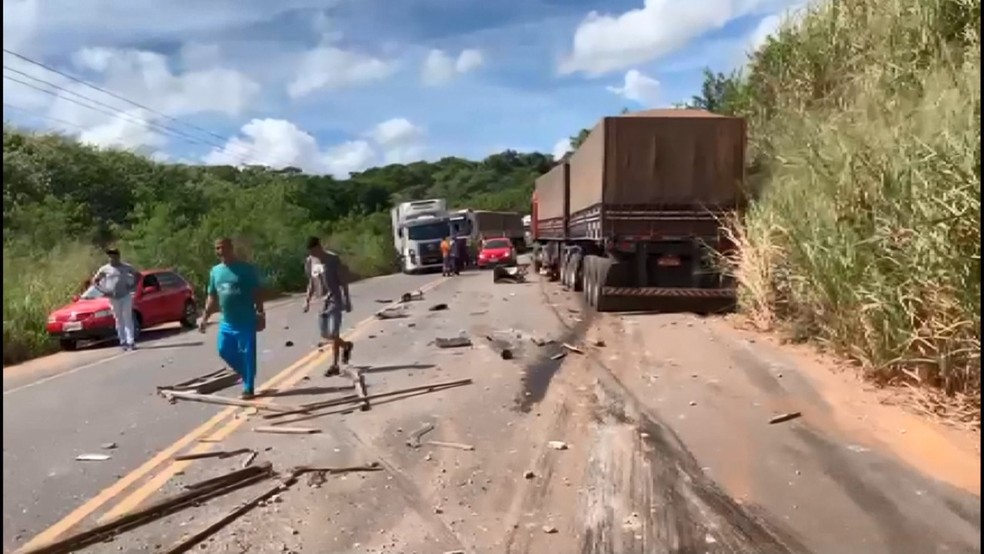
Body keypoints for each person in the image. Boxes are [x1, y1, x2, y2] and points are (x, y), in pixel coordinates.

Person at [198, 238, 266, 400]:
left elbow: (257, 292)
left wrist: (261, 314)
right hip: (227, 321)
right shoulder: (215, 271)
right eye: (217, 248)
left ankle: (248, 387)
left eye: (223, 248)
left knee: (248, 353)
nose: (220, 251)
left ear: (230, 248)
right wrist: (204, 317)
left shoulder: (246, 269)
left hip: (246, 320)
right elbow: (212, 296)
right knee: (223, 350)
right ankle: (245, 373)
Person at [302, 236, 354, 376]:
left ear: (319, 247)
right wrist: (307, 301)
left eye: (313, 251)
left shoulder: (333, 259)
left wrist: (347, 300)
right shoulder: (310, 261)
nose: (312, 254)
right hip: (321, 302)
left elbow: (343, 281)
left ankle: (334, 364)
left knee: (333, 333)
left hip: (335, 300)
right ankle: (346, 345)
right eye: (310, 252)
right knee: (325, 334)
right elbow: (311, 282)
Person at [91, 248, 140, 351]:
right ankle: (123, 341)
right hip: (113, 297)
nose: (111, 258)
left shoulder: (126, 267)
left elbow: (137, 275)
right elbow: (95, 281)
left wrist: (132, 285)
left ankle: (131, 341)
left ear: (118, 256)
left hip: (125, 296)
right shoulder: (104, 269)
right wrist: (103, 290)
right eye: (109, 256)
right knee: (118, 319)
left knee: (127, 318)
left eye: (113, 255)